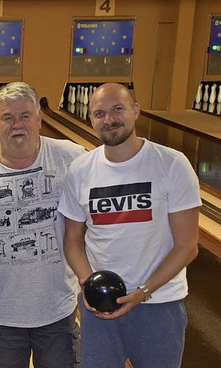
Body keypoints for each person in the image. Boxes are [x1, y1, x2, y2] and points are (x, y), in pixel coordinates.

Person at [58, 82, 201, 368]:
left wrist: (143, 292)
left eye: (117, 109)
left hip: (159, 305)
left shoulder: (172, 164)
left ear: (135, 111)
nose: (109, 119)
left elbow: (187, 247)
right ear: (91, 120)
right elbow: (72, 240)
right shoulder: (81, 170)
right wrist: (88, 284)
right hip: (98, 309)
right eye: (99, 113)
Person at [0, 82, 84, 368]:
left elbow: (92, 221)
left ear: (39, 118)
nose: (17, 125)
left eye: (25, 115)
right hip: (0, 311)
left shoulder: (72, 158)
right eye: (8, 117)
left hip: (57, 309)